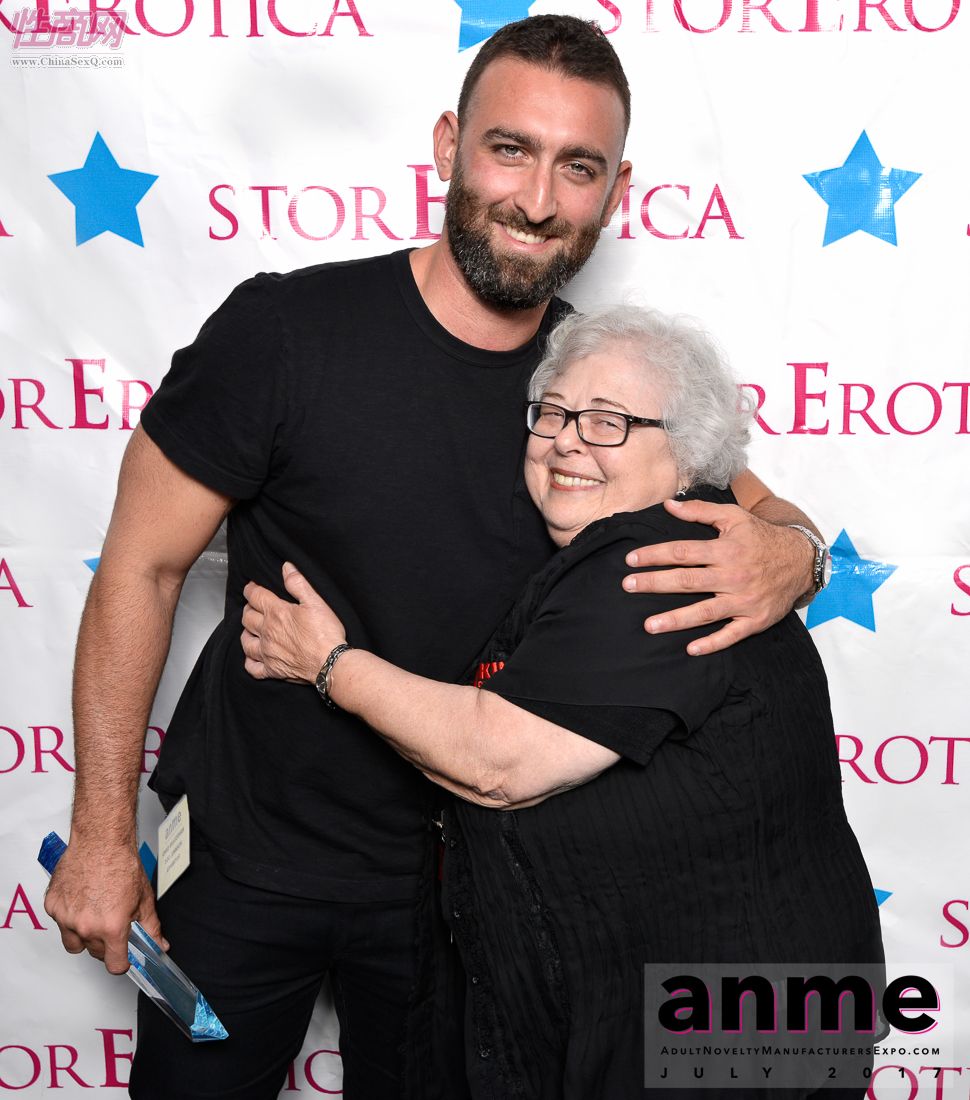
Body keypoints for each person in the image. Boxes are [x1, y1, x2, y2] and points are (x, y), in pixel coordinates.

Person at [43, 15, 826, 1100]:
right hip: (243, 860)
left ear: (615, 190)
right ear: (449, 145)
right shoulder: (285, 332)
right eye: (509, 149)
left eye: (577, 167)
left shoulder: (602, 383)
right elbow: (141, 566)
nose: (537, 199)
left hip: (465, 889)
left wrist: (798, 551)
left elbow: (762, 510)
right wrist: (98, 833)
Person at [240, 305, 883, 1100]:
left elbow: (496, 761)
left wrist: (326, 662)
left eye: (609, 422)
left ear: (688, 456)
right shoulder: (687, 531)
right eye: (552, 414)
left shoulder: (653, 566)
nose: (568, 440)